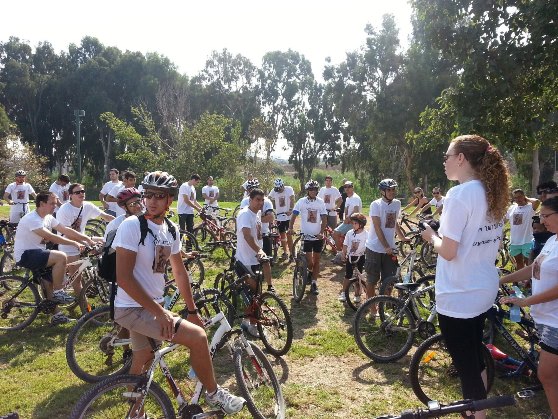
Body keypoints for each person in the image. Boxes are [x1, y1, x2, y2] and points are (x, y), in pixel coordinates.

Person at [113, 171, 245, 415]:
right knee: (198, 338)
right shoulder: (131, 226)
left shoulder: (171, 229)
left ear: (169, 200)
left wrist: (193, 310)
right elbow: (124, 278)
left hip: (150, 305)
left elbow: (180, 273)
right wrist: (161, 313)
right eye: (148, 194)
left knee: (142, 358)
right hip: (131, 308)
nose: (151, 200)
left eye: (159, 196)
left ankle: (135, 413)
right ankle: (214, 395)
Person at [420, 134, 510, 416]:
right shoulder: (491, 191)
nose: (444, 162)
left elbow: (448, 251)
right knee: (475, 357)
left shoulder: (459, 195)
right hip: (482, 287)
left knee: (467, 369)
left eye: (447, 156)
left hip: (459, 294)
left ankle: (476, 415)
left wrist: (430, 236)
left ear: (461, 159)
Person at [499, 196, 558, 419]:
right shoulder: (552, 241)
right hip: (545, 318)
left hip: (556, 321)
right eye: (539, 216)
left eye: (545, 216)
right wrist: (501, 280)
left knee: (547, 376)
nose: (541, 221)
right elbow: (534, 268)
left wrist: (526, 302)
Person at [13, 191, 96, 324]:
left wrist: (86, 239)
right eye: (52, 203)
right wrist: (74, 243)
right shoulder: (32, 219)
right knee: (60, 257)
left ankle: (56, 314)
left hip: (38, 253)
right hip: (26, 255)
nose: (55, 206)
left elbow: (66, 230)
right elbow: (52, 237)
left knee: (47, 283)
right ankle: (58, 292)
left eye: (55, 203)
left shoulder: (48, 218)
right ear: (41, 204)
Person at [56, 183, 114, 297]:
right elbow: (68, 234)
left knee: (104, 241)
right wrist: (86, 243)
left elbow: (105, 216)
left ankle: (95, 273)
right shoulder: (65, 210)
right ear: (70, 195)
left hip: (82, 238)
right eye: (78, 192)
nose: (81, 194)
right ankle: (85, 308)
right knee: (77, 280)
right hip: (67, 244)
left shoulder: (87, 206)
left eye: (83, 191)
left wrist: (122, 222)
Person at [235, 187, 275, 334]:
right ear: (250, 200)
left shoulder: (257, 213)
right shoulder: (245, 214)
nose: (260, 203)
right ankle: (250, 324)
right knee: (252, 293)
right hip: (245, 261)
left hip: (255, 259)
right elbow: (246, 235)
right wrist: (259, 250)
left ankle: (250, 320)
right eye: (257, 200)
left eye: (262, 200)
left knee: (256, 292)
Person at [364, 178, 408, 303]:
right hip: (375, 248)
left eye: (393, 189)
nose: (392, 192)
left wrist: (402, 237)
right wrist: (386, 246)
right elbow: (377, 227)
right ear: (382, 191)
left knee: (389, 280)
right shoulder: (375, 205)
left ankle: (384, 306)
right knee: (372, 280)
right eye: (389, 189)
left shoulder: (397, 204)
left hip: (389, 248)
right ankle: (372, 308)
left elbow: (393, 222)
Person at [288, 180, 327, 295]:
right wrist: (290, 227)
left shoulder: (320, 202)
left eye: (315, 189)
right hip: (306, 236)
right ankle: (309, 272)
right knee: (310, 262)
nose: (313, 191)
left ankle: (314, 283)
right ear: (307, 191)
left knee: (317, 260)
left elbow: (324, 218)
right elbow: (294, 214)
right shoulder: (301, 202)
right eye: (311, 189)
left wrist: (321, 232)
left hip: (317, 236)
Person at [506, 189, 540, 270]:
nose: (518, 199)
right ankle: (520, 282)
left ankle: (529, 281)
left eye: (520, 197)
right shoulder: (512, 208)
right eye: (515, 198)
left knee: (528, 264)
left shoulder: (530, 207)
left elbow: (537, 201)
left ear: (524, 196)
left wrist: (527, 199)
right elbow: (504, 221)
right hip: (515, 241)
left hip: (528, 240)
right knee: (519, 263)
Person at [338, 213, 367, 302]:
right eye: (352, 223)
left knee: (358, 277)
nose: (353, 225)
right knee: (348, 275)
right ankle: (343, 293)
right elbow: (345, 244)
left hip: (360, 257)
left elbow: (368, 246)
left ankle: (357, 295)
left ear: (361, 224)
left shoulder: (366, 234)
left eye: (355, 223)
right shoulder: (350, 233)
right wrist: (343, 253)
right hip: (350, 257)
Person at [332, 181, 362, 264]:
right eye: (345, 187)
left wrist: (348, 219)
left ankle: (340, 254)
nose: (347, 189)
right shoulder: (348, 198)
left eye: (349, 187)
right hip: (349, 221)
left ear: (352, 187)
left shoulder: (355, 198)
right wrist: (345, 218)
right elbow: (346, 210)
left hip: (354, 222)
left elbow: (356, 211)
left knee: (335, 233)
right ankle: (344, 252)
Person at [268, 178, 295, 261]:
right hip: (279, 217)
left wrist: (290, 209)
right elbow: (268, 198)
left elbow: (292, 198)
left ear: (283, 185)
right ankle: (285, 252)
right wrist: (272, 208)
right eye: (277, 189)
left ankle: (292, 253)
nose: (279, 191)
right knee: (282, 235)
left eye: (280, 189)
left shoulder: (289, 189)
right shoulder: (274, 191)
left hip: (288, 217)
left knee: (289, 235)